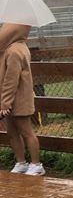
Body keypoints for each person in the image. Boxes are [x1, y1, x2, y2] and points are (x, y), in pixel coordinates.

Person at [0, 22, 44, 176]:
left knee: (26, 132)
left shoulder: (14, 51)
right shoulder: (11, 48)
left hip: (19, 99)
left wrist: (5, 103)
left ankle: (36, 164)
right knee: (12, 132)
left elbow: (11, 80)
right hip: (9, 100)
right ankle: (21, 162)